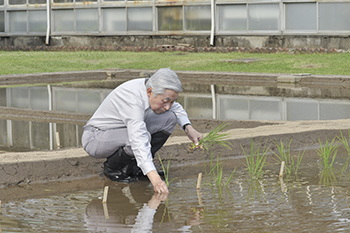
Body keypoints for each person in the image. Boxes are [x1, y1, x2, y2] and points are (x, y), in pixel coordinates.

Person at [82, 68, 202, 193]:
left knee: (170, 118)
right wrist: (156, 180)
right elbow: (138, 139)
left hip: (122, 130)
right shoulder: (131, 99)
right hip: (96, 137)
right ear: (150, 92)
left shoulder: (152, 87)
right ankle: (112, 169)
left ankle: (136, 168)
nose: (168, 107)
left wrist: (188, 128)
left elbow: (176, 109)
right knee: (139, 138)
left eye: (172, 101)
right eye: (165, 101)